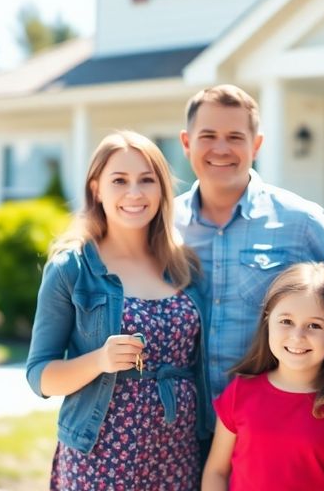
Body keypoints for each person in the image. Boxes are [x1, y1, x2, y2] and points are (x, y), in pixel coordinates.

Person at [26, 131, 208, 491]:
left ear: (161, 189)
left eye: (146, 180)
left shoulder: (183, 265)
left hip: (179, 452)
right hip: (102, 457)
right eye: (119, 181)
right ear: (96, 188)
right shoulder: (73, 269)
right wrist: (100, 360)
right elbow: (39, 375)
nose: (135, 193)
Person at [174, 84, 324, 402]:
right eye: (208, 136)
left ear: (256, 145)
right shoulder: (164, 224)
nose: (221, 148)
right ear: (186, 143)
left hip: (268, 424)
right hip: (181, 423)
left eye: (235, 137)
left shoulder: (301, 222)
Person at [201, 262, 324, 491]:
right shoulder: (240, 392)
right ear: (268, 322)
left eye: (314, 325)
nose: (298, 336)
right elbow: (216, 472)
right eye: (286, 321)